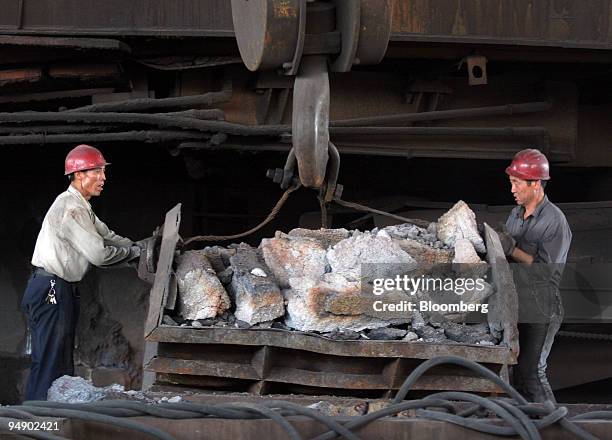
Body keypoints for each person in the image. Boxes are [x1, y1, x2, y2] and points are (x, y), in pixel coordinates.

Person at [21, 144, 141, 400]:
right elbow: (99, 254)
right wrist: (132, 255)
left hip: (58, 287)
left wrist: (136, 246)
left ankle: (54, 418)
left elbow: (107, 235)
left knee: (61, 359)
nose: (103, 177)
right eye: (96, 171)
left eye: (102, 171)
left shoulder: (82, 206)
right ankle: (36, 421)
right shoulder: (71, 208)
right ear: (78, 175)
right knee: (50, 360)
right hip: (51, 288)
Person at [496, 148, 572, 403]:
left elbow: (545, 271)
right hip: (521, 301)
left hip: (543, 304)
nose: (512, 190)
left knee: (532, 373)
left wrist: (512, 249)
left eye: (517, 183)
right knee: (516, 371)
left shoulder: (555, 221)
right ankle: (527, 424)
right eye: (511, 183)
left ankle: (554, 424)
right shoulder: (515, 214)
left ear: (536, 183)